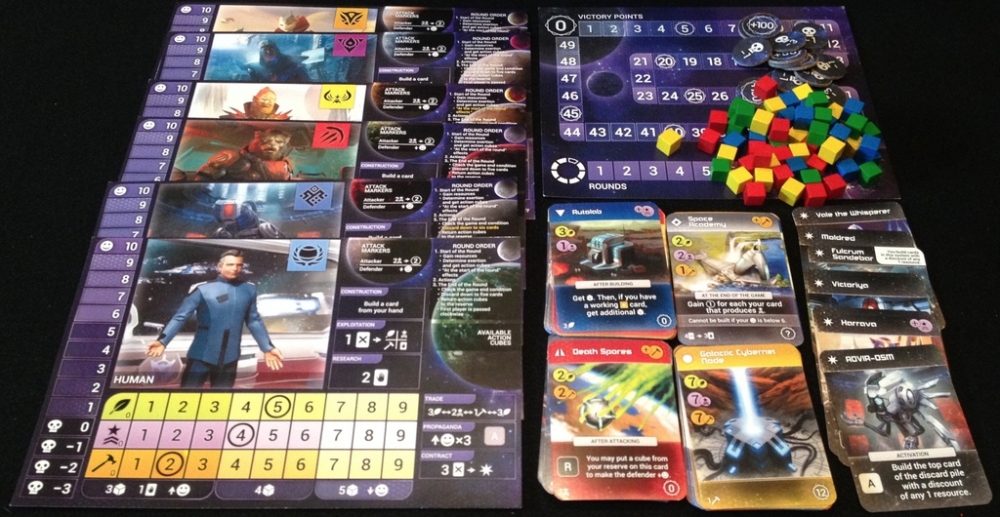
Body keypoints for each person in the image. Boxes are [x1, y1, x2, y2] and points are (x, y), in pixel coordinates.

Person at [145, 249, 283, 388]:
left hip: (230, 358)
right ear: (220, 266)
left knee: (222, 399)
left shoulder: (248, 290)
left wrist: (267, 347)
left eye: (238, 265)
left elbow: (253, 320)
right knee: (187, 397)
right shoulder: (203, 289)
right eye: (230, 264)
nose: (235, 268)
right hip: (201, 356)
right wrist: (163, 341)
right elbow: (180, 317)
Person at [192, 129, 296, 182]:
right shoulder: (231, 158)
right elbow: (204, 178)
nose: (273, 144)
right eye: (267, 140)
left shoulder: (286, 164)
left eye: (279, 142)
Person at [221, 87, 292, 120]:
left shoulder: (284, 121)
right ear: (254, 99)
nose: (267, 102)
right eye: (264, 98)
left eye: (272, 99)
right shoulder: (231, 119)